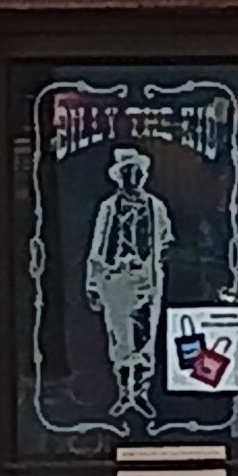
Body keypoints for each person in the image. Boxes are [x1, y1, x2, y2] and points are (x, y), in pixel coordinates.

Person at [87, 148, 171, 434]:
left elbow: (166, 240)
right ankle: (125, 393)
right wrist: (93, 284)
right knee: (121, 338)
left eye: (136, 172)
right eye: (127, 173)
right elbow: (97, 247)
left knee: (145, 339)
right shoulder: (108, 207)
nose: (132, 178)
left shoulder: (155, 207)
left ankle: (143, 395)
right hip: (116, 278)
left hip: (146, 278)